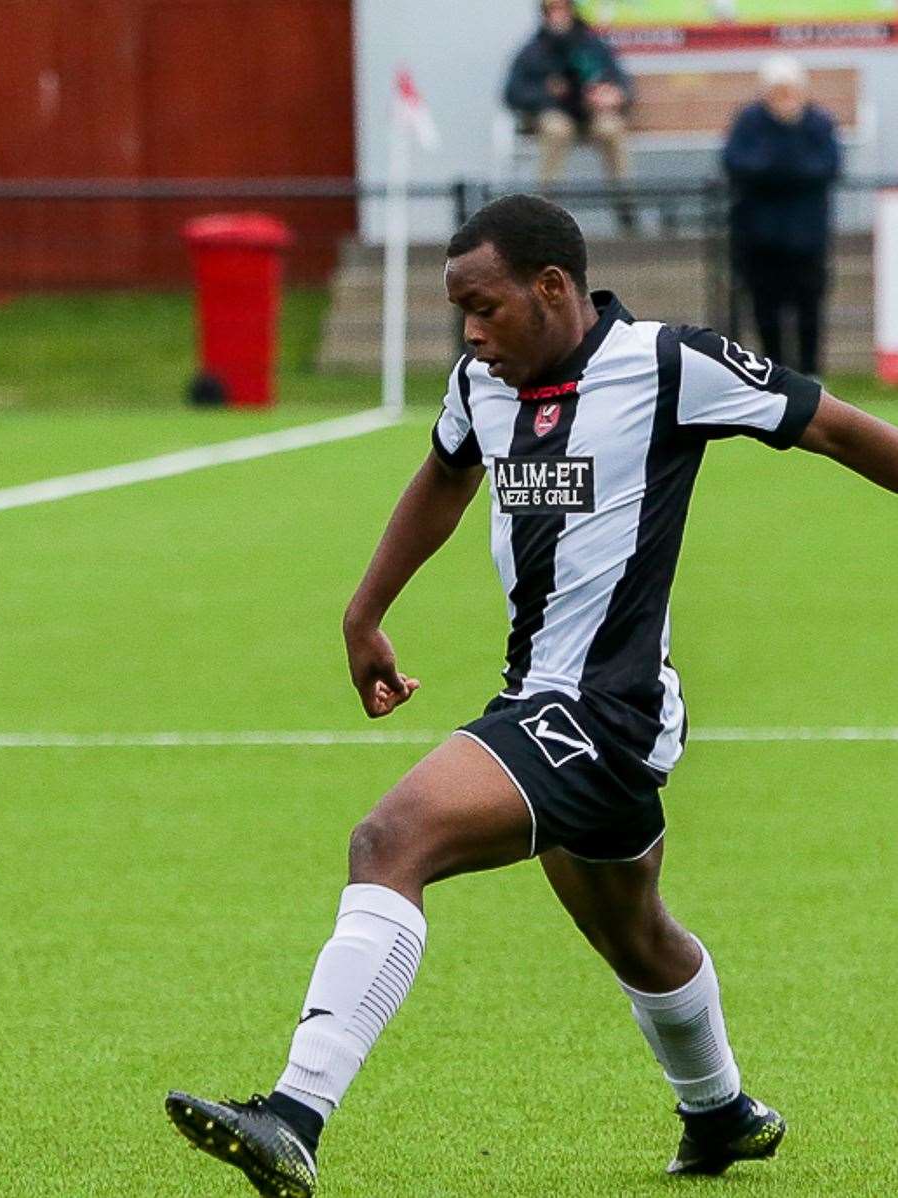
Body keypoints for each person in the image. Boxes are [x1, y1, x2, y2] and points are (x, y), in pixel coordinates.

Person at [164, 194, 898, 1198]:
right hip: (543, 701)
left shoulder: (669, 366)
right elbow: (444, 475)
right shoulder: (483, 382)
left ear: (553, 287)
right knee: (630, 926)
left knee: (392, 839)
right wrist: (365, 609)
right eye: (459, 310)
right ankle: (720, 1111)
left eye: (485, 305)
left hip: (608, 710)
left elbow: (843, 431)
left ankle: (293, 1113)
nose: (470, 331)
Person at [723, 56, 841, 378]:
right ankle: (774, 375)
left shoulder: (818, 122)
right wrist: (785, 168)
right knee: (765, 311)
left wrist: (776, 169)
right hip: (759, 240)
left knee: (809, 310)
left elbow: (827, 167)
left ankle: (811, 375)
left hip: (807, 240)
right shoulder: (749, 121)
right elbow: (736, 164)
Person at [504, 0, 633, 192]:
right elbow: (513, 92)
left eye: (562, 8)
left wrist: (614, 94)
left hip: (591, 115)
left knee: (611, 128)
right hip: (555, 114)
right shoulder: (533, 51)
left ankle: (626, 203)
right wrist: (547, 93)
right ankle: (545, 206)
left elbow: (620, 81)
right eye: (551, 10)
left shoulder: (592, 46)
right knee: (557, 129)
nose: (557, 15)